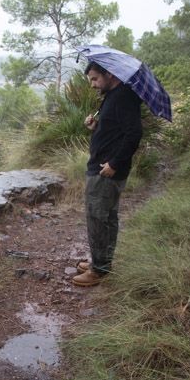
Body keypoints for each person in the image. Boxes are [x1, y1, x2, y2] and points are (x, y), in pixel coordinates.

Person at [72, 61, 143, 287]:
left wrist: (113, 163)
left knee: (98, 219)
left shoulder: (123, 97)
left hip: (105, 171)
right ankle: (102, 261)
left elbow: (134, 134)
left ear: (110, 74)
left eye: (95, 79)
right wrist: (95, 126)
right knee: (107, 218)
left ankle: (99, 270)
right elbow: (115, 129)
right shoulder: (114, 94)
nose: (92, 84)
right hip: (104, 168)